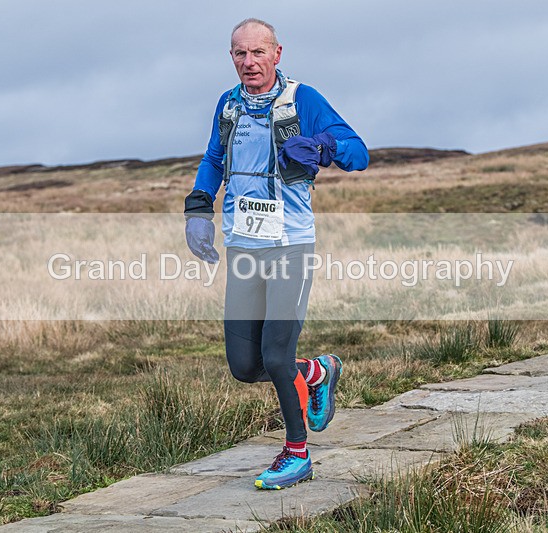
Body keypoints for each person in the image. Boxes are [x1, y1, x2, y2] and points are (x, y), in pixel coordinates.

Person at [184, 18, 368, 490]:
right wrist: (198, 207)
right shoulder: (228, 105)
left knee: (277, 355)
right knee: (245, 366)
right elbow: (213, 159)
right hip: (244, 246)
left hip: (290, 245)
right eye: (240, 54)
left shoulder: (303, 100)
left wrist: (323, 147)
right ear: (231, 57)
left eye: (258, 52)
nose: (249, 62)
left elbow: (358, 152)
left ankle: (297, 453)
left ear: (277, 53)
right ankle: (317, 372)